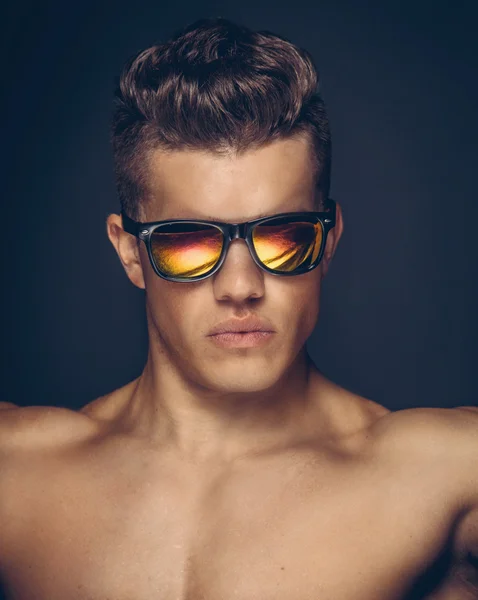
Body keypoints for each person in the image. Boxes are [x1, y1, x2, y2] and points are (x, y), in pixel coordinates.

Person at [0, 16, 477, 600]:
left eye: (283, 236)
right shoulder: (15, 474)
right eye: (189, 242)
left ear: (326, 241)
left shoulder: (449, 476)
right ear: (130, 252)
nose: (241, 286)